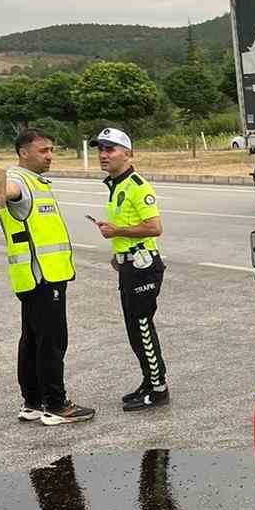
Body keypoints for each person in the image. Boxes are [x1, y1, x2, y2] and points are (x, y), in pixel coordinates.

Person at [0, 128, 95, 424]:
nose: (50, 155)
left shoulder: (35, 182)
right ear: (23, 152)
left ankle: (33, 402)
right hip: (42, 277)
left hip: (34, 277)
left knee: (32, 339)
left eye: (51, 149)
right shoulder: (18, 181)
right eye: (43, 151)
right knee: (52, 341)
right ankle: (55, 404)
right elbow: (6, 190)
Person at [89, 126, 170, 410]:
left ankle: (158, 389)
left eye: (109, 149)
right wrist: (118, 253)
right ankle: (149, 380)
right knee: (134, 329)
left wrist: (117, 231)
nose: (103, 155)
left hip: (143, 267)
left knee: (142, 326)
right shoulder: (116, 186)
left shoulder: (137, 186)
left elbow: (154, 227)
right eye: (100, 149)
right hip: (129, 266)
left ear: (128, 153)